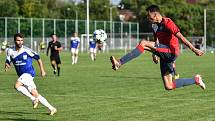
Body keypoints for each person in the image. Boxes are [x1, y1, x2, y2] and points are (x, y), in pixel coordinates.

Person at [110, 5, 205, 90]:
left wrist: (194, 49)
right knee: (169, 85)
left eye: (149, 15)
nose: (148, 18)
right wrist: (154, 54)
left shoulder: (168, 23)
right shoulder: (154, 25)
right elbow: (156, 41)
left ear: (155, 15)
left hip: (172, 51)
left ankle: (119, 62)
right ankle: (196, 80)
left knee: (143, 43)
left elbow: (181, 37)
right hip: (164, 53)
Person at [5, 33, 57, 115]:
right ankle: (52, 108)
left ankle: (33, 99)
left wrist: (42, 70)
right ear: (15, 40)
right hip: (22, 75)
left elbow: (38, 58)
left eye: (22, 40)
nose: (20, 42)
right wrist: (7, 63)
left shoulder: (27, 50)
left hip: (28, 73)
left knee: (17, 86)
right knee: (35, 93)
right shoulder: (10, 50)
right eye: (18, 40)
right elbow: (8, 58)